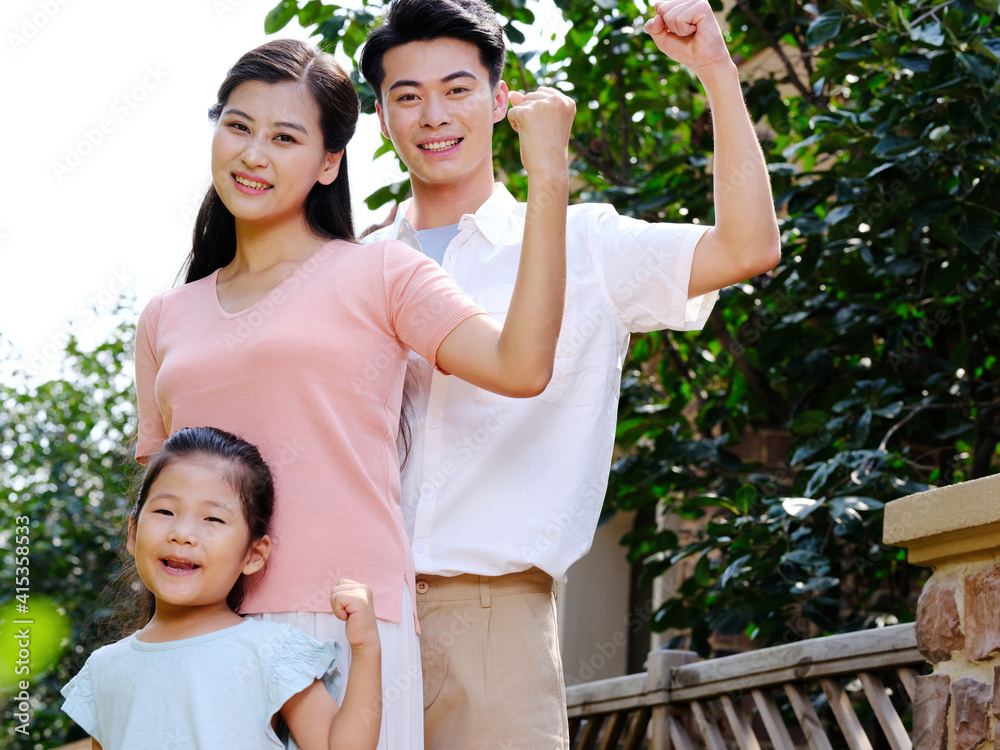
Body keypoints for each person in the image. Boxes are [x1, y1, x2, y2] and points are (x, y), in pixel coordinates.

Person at [359, 0, 782, 746]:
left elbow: (747, 246)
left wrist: (715, 68)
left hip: (494, 622)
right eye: (407, 95)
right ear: (385, 117)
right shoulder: (360, 263)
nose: (434, 114)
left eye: (457, 89)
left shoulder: (581, 243)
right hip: (353, 619)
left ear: (500, 101)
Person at [133, 38, 573, 748]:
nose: (253, 155)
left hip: (339, 622)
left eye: (285, 137)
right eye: (238, 126)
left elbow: (520, 366)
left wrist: (548, 179)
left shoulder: (382, 274)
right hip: (198, 631)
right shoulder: (165, 317)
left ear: (329, 161)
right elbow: (154, 495)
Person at [60, 426, 383, 749]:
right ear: (133, 533)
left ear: (253, 554)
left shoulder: (271, 652)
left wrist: (366, 648)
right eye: (164, 511)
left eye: (212, 519)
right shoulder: (104, 669)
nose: (182, 533)